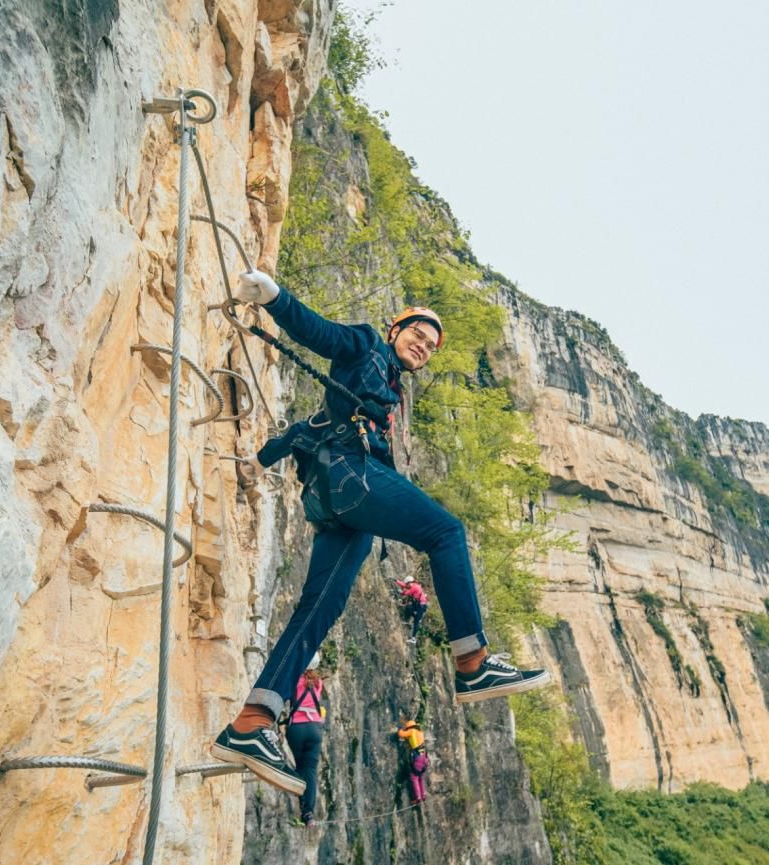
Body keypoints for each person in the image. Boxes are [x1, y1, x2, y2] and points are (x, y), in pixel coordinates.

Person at [211, 269, 550, 794]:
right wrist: (275, 298)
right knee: (445, 533)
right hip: (352, 479)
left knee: (319, 609)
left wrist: (263, 461)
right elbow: (320, 332)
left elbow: (309, 432)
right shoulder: (367, 345)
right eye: (419, 335)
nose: (425, 348)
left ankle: (252, 722)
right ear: (395, 329)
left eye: (433, 348)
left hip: (339, 504)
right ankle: (473, 662)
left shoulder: (384, 391)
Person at [285, 653, 327, 827]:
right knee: (309, 771)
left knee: (299, 767)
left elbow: (286, 696)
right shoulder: (318, 682)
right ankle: (308, 813)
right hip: (315, 729)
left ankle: (297, 793)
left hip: (298, 729)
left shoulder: (295, 679)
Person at [396, 718, 429, 804]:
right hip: (424, 757)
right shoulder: (420, 733)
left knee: (414, 777)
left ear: (409, 727)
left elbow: (401, 734)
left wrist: (399, 729)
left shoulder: (411, 731)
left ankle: (418, 797)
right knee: (420, 776)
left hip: (418, 758)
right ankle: (423, 795)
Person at [394, 576, 429, 644]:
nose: (406, 585)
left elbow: (406, 593)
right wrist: (396, 581)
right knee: (409, 608)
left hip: (421, 606)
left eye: (407, 584)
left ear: (410, 582)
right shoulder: (413, 585)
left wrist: (399, 592)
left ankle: (413, 638)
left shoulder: (415, 587)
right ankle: (411, 618)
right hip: (418, 605)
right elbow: (404, 585)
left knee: (416, 622)